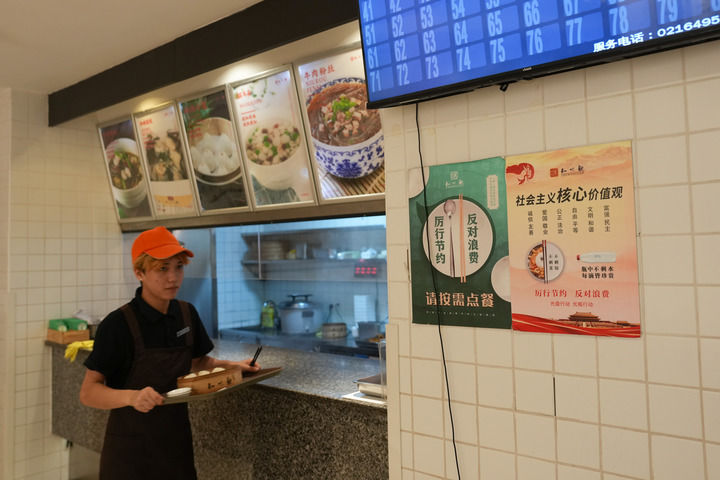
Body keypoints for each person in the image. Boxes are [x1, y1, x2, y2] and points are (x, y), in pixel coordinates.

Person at [79, 226, 260, 479]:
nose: (173, 277)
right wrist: (132, 397)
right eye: (162, 268)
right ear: (139, 272)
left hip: (175, 446)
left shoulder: (186, 314)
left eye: (178, 267)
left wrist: (233, 366)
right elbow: (88, 392)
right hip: (129, 453)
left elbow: (198, 362)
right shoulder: (118, 324)